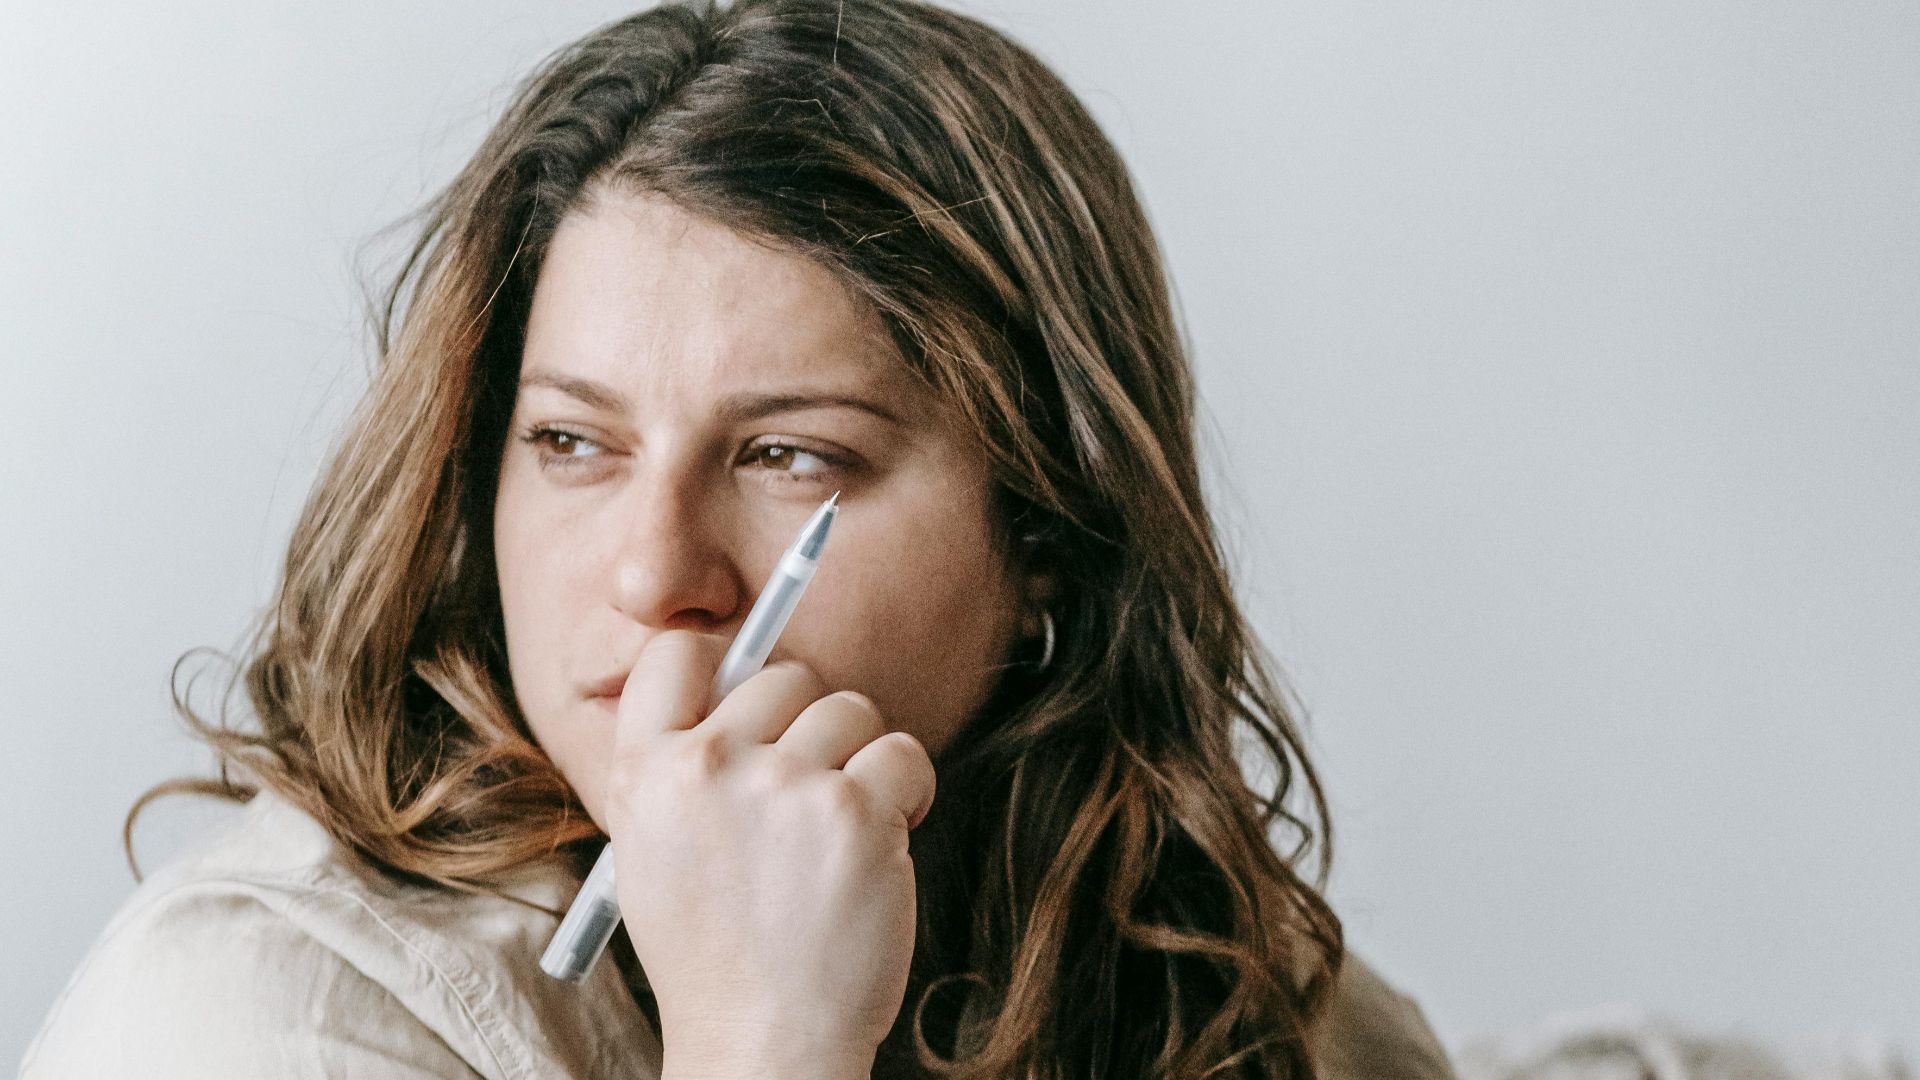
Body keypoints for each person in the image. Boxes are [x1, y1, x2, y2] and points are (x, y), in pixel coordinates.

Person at [20, 0, 1458, 1076]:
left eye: (789, 457)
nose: (654, 576)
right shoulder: (262, 1019)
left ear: (1050, 544)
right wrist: (762, 1043)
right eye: (573, 444)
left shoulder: (1275, 1017)